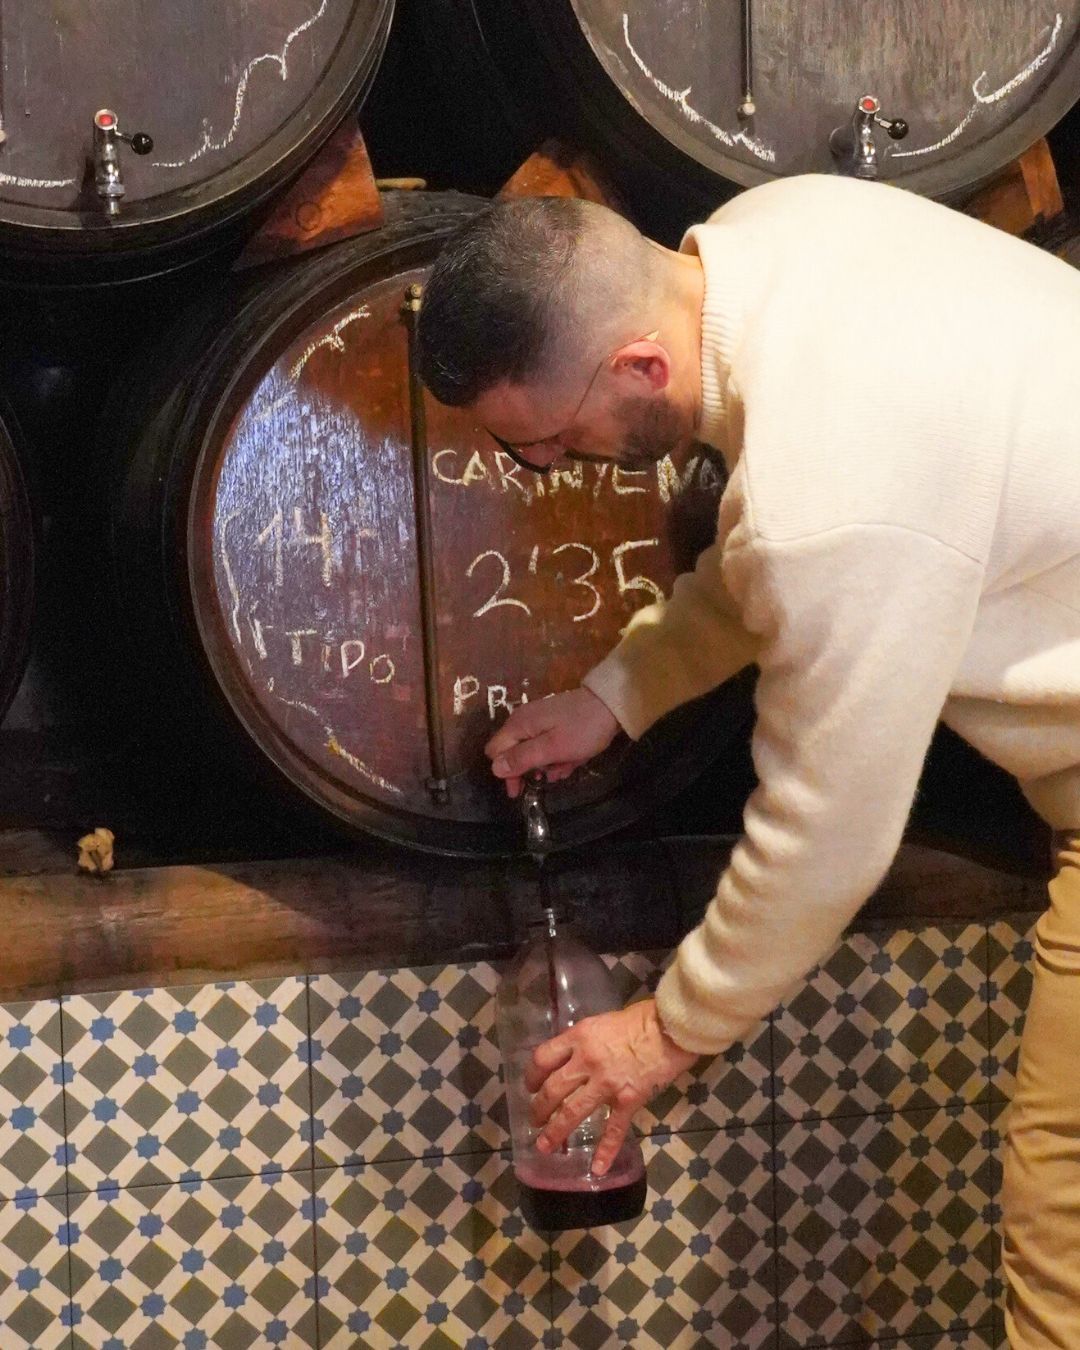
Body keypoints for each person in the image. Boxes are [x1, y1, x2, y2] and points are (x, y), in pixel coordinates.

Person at [416, 175, 1080, 1346]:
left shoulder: (831, 490)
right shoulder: (774, 235)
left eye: (553, 440)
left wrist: (665, 1031)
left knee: (1064, 1194)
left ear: (640, 370)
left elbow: (829, 829)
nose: (560, 468)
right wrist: (619, 695)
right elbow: (769, 560)